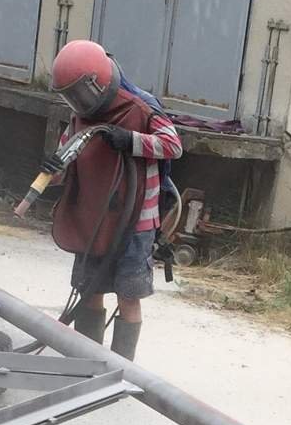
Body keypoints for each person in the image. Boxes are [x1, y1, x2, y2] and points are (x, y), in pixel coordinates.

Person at [20, 39, 182, 361]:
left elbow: (173, 146)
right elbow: (67, 160)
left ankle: (120, 369)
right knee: (89, 290)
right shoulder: (80, 118)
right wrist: (53, 169)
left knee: (128, 295)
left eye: (80, 94)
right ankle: (85, 364)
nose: (77, 103)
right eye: (70, 96)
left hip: (135, 223)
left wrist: (130, 140)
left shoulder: (141, 108)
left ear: (97, 83)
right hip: (91, 219)